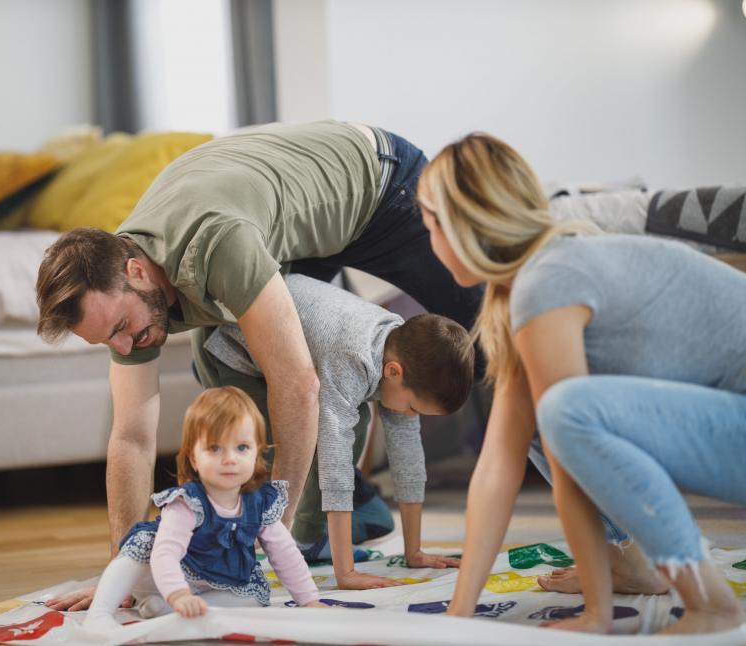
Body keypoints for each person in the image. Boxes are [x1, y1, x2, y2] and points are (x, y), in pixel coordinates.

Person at [37, 120, 483, 610]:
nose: (125, 346)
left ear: (138, 271)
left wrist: (274, 537)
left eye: (123, 326)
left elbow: (298, 385)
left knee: (490, 346)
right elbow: (131, 436)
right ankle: (356, 504)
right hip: (281, 226)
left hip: (376, 185)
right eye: (109, 339)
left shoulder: (218, 244)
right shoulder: (119, 301)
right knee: (222, 374)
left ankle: (581, 513)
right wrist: (123, 572)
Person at [416, 132, 746, 641]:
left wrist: (598, 614)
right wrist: (459, 614)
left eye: (430, 225)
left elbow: (570, 462)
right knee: (551, 414)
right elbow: (499, 463)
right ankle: (642, 567)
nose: (429, 243)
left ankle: (713, 608)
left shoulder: (549, 279)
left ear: (461, 225)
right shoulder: (530, 283)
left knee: (563, 410)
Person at [201, 273, 473, 587]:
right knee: (275, 446)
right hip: (240, 354)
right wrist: (346, 574)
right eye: (413, 407)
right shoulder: (353, 358)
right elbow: (336, 467)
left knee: (356, 422)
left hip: (302, 362)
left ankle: (307, 538)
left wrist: (415, 552)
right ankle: (223, 540)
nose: (411, 416)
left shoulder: (400, 351)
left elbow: (408, 456)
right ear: (393, 372)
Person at [82, 387, 325, 633]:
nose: (229, 459)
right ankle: (100, 613)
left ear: (257, 453)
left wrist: (309, 600)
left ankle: (172, 611)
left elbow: (285, 553)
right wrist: (177, 593)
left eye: (241, 448)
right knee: (143, 544)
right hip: (164, 575)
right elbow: (165, 554)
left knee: (255, 597)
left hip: (220, 580)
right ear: (194, 458)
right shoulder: (188, 502)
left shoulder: (260, 502)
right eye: (215, 448)